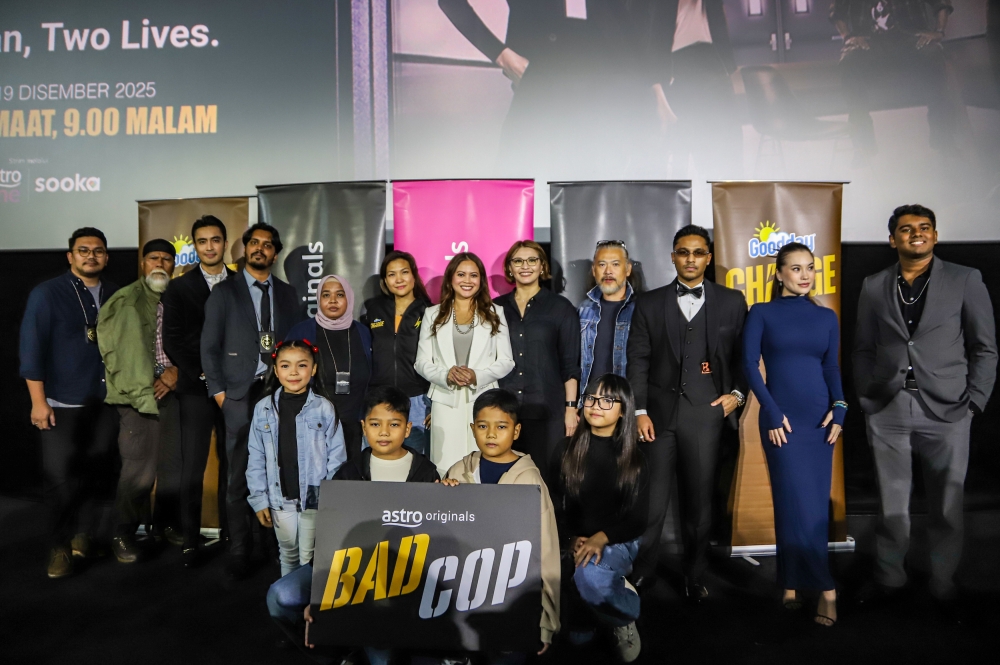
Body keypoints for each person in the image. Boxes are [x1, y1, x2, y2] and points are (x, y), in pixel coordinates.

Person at [853, 205, 996, 610]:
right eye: (906, 229)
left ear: (934, 235)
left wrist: (976, 401)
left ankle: (942, 583)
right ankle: (889, 578)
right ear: (893, 239)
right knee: (890, 504)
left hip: (949, 409)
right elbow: (864, 347)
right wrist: (867, 394)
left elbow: (985, 346)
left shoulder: (966, 279)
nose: (916, 233)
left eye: (924, 228)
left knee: (947, 506)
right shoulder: (873, 284)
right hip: (888, 408)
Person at [267, 386, 440, 665]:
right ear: (363, 427)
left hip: (392, 578)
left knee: (380, 654)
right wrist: (324, 594)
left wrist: (450, 492)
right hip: (341, 567)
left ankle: (363, 644)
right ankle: (335, 650)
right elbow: (330, 536)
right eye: (375, 424)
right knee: (280, 596)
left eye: (394, 424)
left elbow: (431, 540)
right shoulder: (348, 472)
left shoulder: (426, 472)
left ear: (408, 429)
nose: (384, 432)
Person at [627, 224, 748, 597]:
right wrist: (639, 411)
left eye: (698, 253)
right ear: (673, 256)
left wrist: (738, 395)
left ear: (708, 258)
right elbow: (638, 360)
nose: (690, 259)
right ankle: (644, 570)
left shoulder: (732, 301)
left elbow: (744, 357)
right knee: (650, 503)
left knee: (699, 504)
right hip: (657, 418)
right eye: (683, 252)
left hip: (706, 415)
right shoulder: (648, 303)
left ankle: (694, 575)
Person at [742, 242, 845, 627]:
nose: (805, 275)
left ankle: (798, 584)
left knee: (813, 506)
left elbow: (832, 370)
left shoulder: (827, 317)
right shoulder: (762, 313)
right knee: (790, 501)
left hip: (820, 421)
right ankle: (822, 587)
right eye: (796, 268)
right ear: (779, 273)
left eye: (810, 268)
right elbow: (750, 366)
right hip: (781, 420)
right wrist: (770, 410)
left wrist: (841, 409)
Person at [201, 222, 303, 580]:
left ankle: (274, 547)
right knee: (238, 475)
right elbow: (209, 347)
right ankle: (239, 548)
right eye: (254, 243)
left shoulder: (289, 295)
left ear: (275, 253)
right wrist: (219, 393)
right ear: (245, 249)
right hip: (239, 395)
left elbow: (297, 345)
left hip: (278, 393)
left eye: (267, 244)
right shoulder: (224, 292)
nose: (260, 249)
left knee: (277, 471)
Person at [20, 227, 120, 578]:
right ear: (70, 256)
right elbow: (31, 350)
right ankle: (59, 546)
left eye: (98, 251)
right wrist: (38, 401)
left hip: (107, 401)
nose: (91, 256)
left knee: (101, 475)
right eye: (83, 250)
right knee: (62, 480)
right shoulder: (47, 294)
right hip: (61, 403)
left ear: (106, 256)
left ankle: (85, 536)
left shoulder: (115, 294)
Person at [443, 388, 561, 659]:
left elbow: (547, 553)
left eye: (501, 426)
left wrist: (546, 622)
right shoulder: (458, 472)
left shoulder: (529, 480)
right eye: (483, 426)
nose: (492, 434)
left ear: (516, 431)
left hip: (512, 604)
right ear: (472, 428)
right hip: (465, 604)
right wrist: (442, 494)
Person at [161, 214, 236, 567]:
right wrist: (205, 375)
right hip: (195, 388)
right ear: (195, 246)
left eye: (216, 240)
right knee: (193, 466)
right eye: (203, 241)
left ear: (224, 242)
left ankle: (232, 535)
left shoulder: (241, 283)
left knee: (234, 464)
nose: (210, 246)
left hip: (236, 389)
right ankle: (190, 540)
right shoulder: (178, 287)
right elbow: (173, 340)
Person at [97, 239, 176, 563]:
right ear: (142, 264)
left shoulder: (171, 299)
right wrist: (149, 395)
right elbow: (127, 361)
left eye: (166, 259)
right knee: (138, 472)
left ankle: (161, 527)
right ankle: (122, 533)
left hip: (167, 393)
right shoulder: (128, 301)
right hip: (139, 400)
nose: (160, 263)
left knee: (168, 469)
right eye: (153, 258)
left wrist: (176, 373)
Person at [560, 373, 648, 663]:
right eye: (592, 398)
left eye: (608, 399)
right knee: (577, 637)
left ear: (623, 409)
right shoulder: (565, 450)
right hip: (573, 540)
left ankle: (623, 614)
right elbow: (552, 504)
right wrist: (571, 538)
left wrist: (601, 538)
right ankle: (589, 606)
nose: (596, 405)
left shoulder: (634, 459)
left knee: (588, 572)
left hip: (619, 540)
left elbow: (637, 521)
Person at [246, 340, 347, 577]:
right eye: (285, 365)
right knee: (288, 553)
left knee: (309, 556)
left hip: (315, 497)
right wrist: (259, 498)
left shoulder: (324, 408)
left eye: (301, 365)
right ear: (276, 370)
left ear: (312, 370)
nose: (293, 372)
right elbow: (256, 456)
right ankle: (289, 607)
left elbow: (337, 456)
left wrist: (331, 495)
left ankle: (307, 610)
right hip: (280, 497)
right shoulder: (263, 408)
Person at [415, 252, 515, 475]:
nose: (467, 281)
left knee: (480, 465)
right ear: (451, 278)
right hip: (445, 400)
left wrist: (476, 376)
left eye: (474, 275)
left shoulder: (495, 313)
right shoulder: (432, 315)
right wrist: (446, 375)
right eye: (461, 274)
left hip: (483, 399)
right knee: (445, 465)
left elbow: (507, 361)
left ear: (481, 281)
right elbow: (421, 363)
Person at [830, 0, 961, 164]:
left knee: (934, 56)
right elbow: (837, 11)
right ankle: (863, 145)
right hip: (868, 39)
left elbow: (942, 3)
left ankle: (944, 140)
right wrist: (848, 37)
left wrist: (939, 31)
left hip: (911, 36)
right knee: (850, 64)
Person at [495, 241, 581, 481]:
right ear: (510, 268)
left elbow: (570, 364)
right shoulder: (496, 308)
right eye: (518, 261)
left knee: (547, 480)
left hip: (548, 411)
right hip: (505, 410)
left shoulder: (561, 308)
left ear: (542, 266)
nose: (526, 266)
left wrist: (570, 409)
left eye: (532, 260)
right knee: (507, 480)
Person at [645, 0, 741, 176]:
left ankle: (718, 190)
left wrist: (728, 70)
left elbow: (720, 24)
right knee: (683, 142)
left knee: (720, 142)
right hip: (680, 65)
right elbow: (655, 37)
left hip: (712, 62)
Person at [286, 275, 372, 460]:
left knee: (349, 481)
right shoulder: (301, 332)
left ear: (348, 298)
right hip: (315, 425)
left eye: (339, 295)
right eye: (326, 295)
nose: (333, 300)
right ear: (318, 299)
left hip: (355, 425)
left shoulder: (363, 332)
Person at [363, 251, 433, 455]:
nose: (399, 279)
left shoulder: (430, 311)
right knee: (377, 465)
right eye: (392, 274)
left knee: (414, 465)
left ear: (413, 276)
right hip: (379, 400)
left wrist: (435, 405)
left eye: (404, 272)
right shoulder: (373, 309)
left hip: (418, 401)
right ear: (385, 280)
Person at [578, 240, 637, 395]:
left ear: (628, 269)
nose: (608, 271)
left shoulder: (641, 310)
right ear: (593, 270)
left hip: (627, 404)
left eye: (616, 264)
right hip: (589, 404)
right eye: (602, 264)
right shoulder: (582, 310)